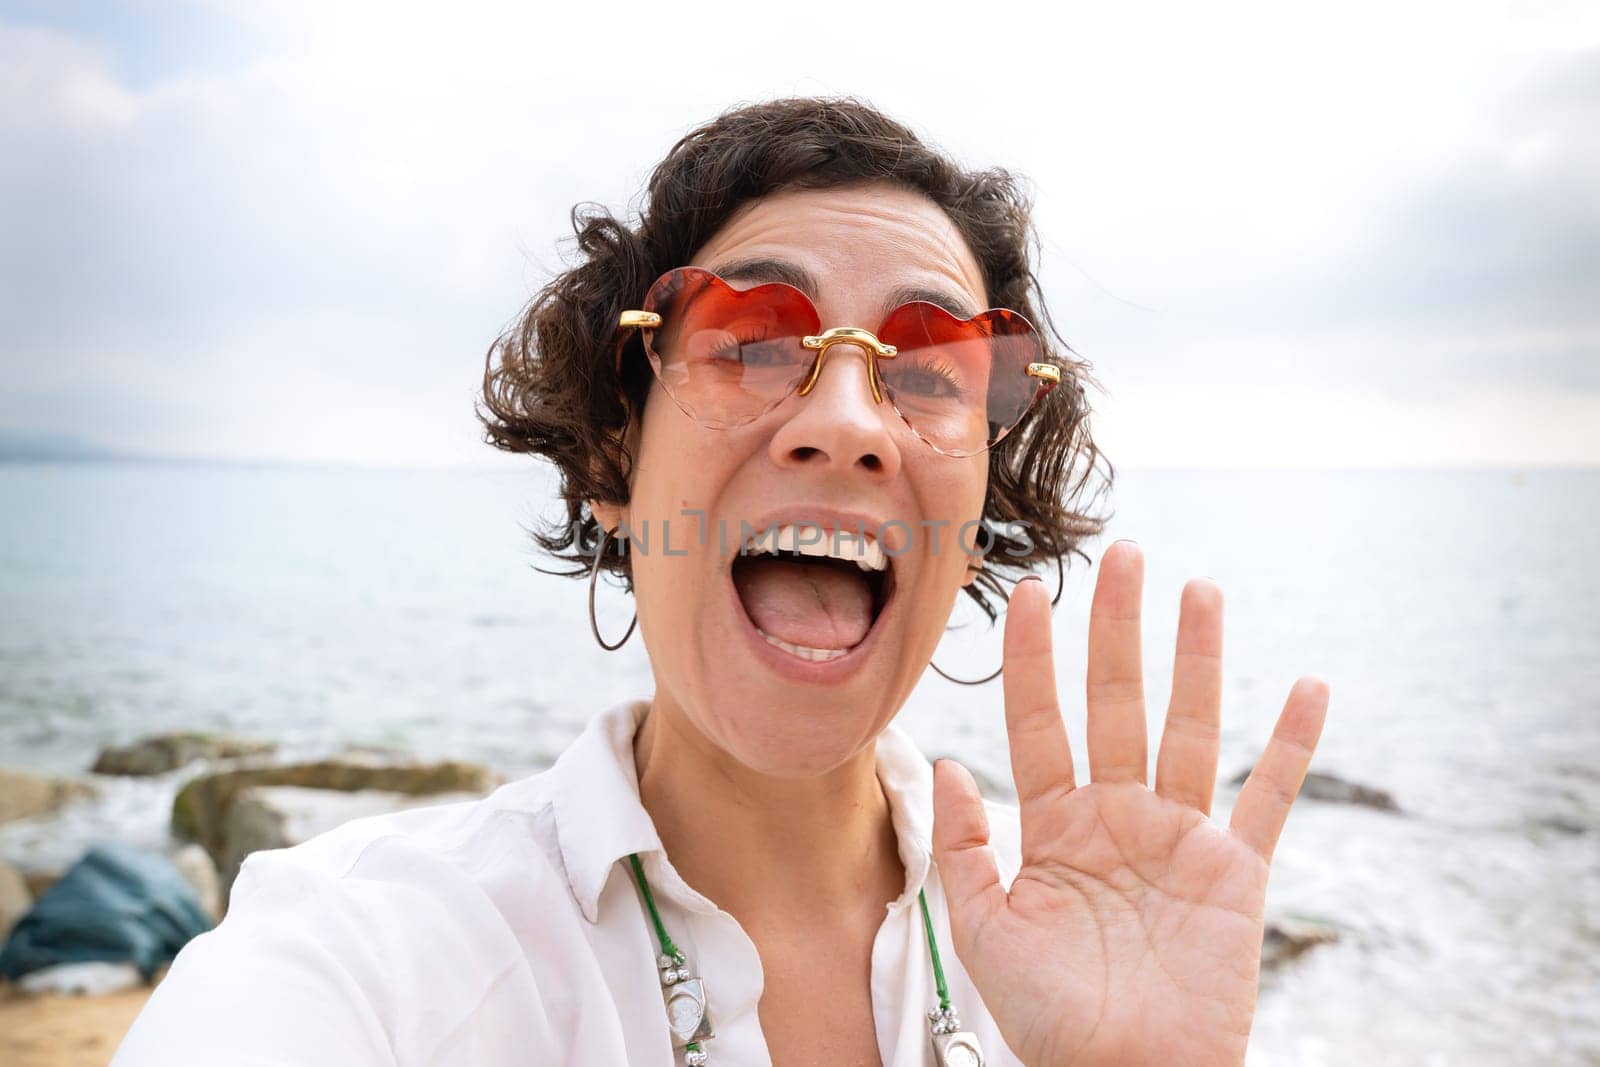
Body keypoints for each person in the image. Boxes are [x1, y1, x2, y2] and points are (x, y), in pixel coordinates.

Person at [113, 97, 1330, 1066]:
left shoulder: (1089, 939)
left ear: (976, 515)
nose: (848, 422)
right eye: (749, 339)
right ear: (611, 458)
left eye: (929, 367)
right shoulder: (370, 960)